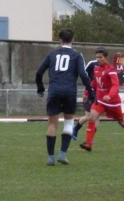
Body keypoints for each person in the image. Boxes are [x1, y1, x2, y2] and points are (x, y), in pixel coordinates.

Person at [35, 28, 95, 166]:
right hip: (69, 91)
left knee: (52, 124)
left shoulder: (52, 54)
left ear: (60, 40)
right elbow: (83, 74)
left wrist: (40, 87)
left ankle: (51, 157)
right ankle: (62, 154)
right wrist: (90, 92)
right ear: (73, 40)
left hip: (54, 90)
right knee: (68, 122)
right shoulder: (77, 55)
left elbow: (39, 72)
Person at [79, 47, 124, 152]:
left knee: (121, 122)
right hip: (100, 100)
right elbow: (94, 83)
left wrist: (109, 95)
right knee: (91, 117)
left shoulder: (111, 70)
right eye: (97, 57)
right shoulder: (96, 69)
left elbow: (115, 85)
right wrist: (86, 93)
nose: (98, 59)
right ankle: (88, 144)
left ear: (105, 57)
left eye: (100, 57)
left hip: (112, 102)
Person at [72, 59, 100, 141]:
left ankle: (89, 138)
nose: (100, 58)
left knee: (97, 117)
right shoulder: (92, 64)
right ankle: (75, 129)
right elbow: (83, 74)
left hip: (100, 94)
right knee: (89, 116)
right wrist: (86, 92)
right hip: (91, 92)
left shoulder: (106, 67)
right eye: (98, 56)